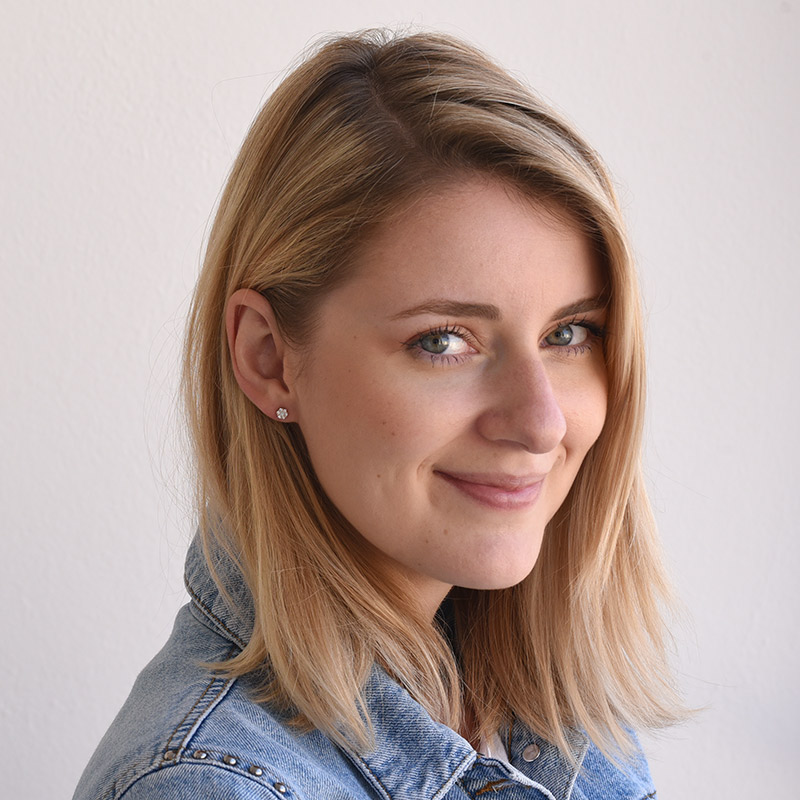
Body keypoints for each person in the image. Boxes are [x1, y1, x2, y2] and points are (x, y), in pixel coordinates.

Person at [74, 29, 684, 800]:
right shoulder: (212, 785)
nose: (541, 424)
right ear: (268, 357)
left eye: (568, 334)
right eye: (444, 341)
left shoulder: (538, 705)